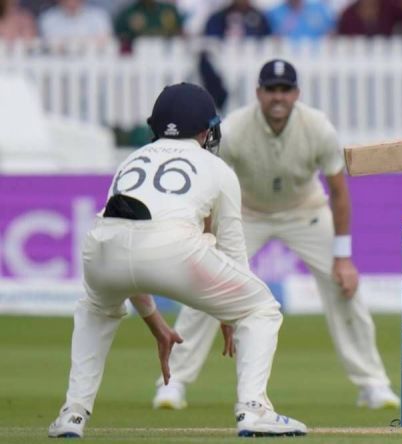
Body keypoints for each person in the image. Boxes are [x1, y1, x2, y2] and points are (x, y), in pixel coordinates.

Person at [47, 82, 307, 438]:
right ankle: (253, 409)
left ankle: (72, 414)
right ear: (205, 130)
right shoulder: (217, 169)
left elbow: (128, 245)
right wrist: (230, 311)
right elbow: (232, 248)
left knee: (95, 310)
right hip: (173, 248)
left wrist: (156, 323)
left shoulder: (132, 159)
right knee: (261, 308)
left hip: (102, 246)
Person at [152, 59, 400, 411]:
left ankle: (373, 384)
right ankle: (174, 383)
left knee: (345, 289)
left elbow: (339, 192)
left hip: (306, 212)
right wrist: (206, 243)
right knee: (206, 287)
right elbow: (210, 189)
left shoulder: (317, 127)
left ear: (296, 93)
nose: (278, 97)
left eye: (285, 90)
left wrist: (343, 258)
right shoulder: (235, 129)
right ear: (259, 93)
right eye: (271, 90)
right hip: (247, 213)